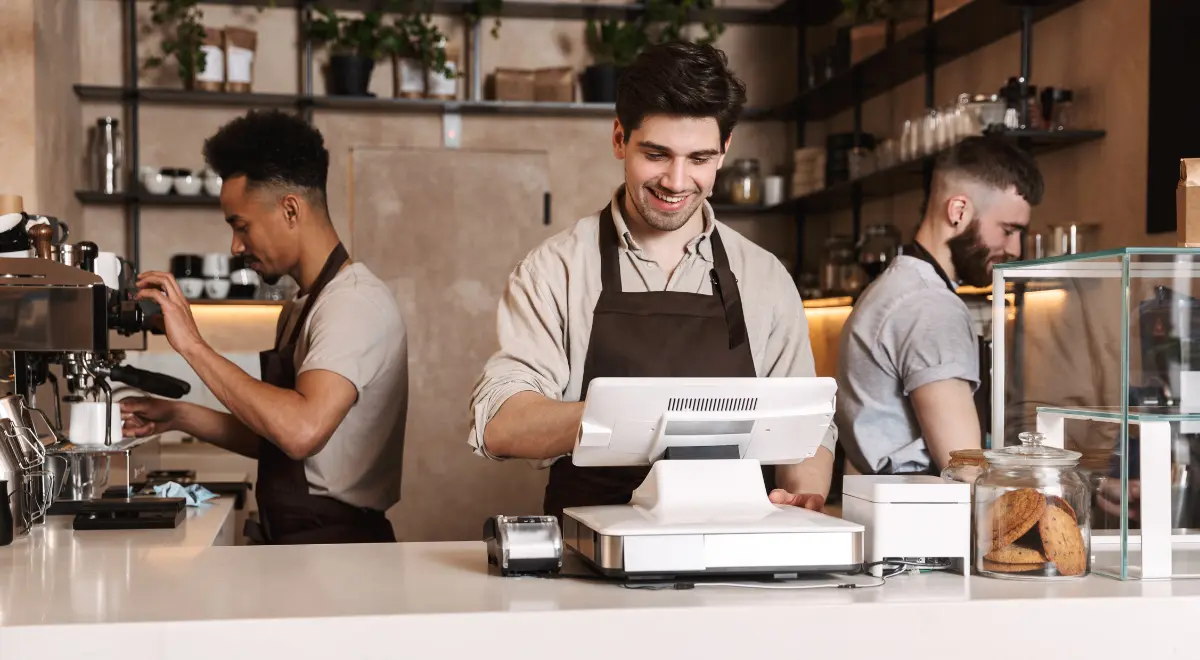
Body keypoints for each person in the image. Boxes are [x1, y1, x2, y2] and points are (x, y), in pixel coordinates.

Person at [467, 41, 835, 519]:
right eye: (657, 154)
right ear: (620, 138)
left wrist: (802, 496)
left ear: (724, 150)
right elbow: (499, 420)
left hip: (732, 556)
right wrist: (640, 417)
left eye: (699, 158)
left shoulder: (764, 277)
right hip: (591, 560)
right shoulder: (555, 269)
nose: (677, 181)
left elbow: (804, 429)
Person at [120, 110, 408, 545]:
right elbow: (276, 438)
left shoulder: (352, 303)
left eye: (241, 226)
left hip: (338, 551)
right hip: (300, 543)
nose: (236, 246)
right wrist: (177, 415)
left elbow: (300, 432)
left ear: (290, 209)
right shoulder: (302, 306)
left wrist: (193, 345)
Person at [836, 136, 1044, 476]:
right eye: (1008, 230)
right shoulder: (930, 306)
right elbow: (964, 467)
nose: (1016, 248)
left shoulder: (893, 285)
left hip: (887, 511)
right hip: (922, 520)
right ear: (958, 211)